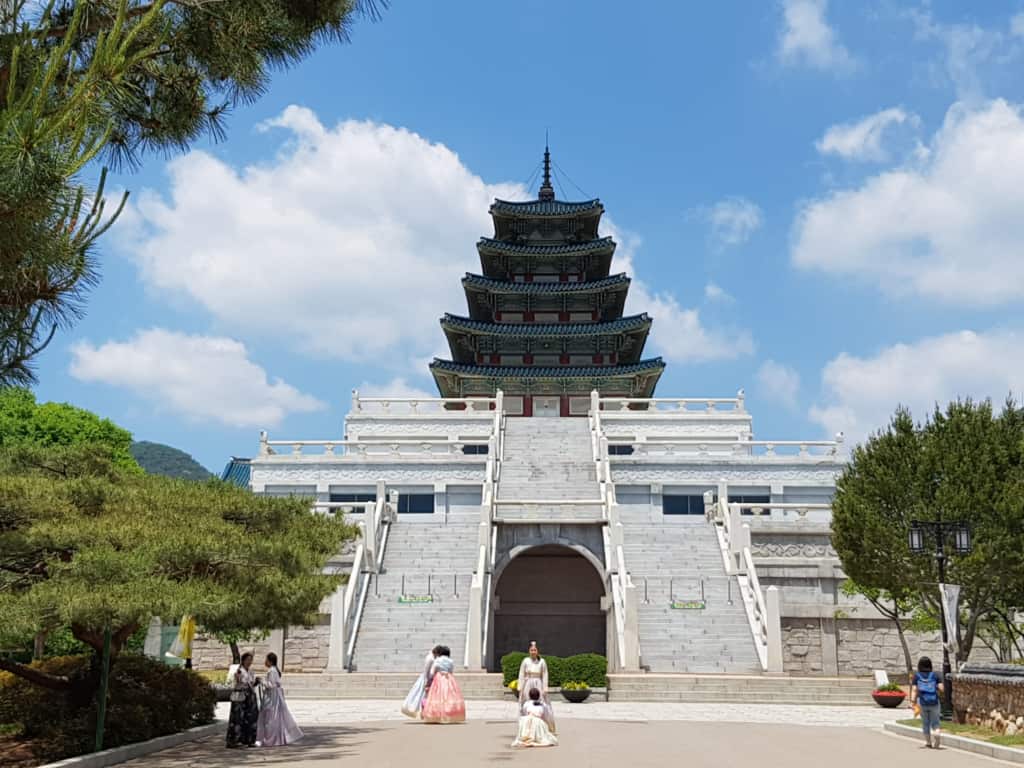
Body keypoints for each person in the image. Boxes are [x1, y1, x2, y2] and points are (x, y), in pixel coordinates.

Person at [257, 652, 303, 746]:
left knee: (270, 717)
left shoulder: (272, 671)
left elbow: (271, 685)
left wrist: (261, 681)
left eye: (266, 659)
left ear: (270, 661)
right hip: (274, 696)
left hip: (272, 697)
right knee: (273, 717)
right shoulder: (274, 670)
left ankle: (271, 739)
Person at [517, 641, 556, 733]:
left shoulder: (542, 661)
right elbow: (521, 673)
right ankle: (526, 725)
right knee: (526, 702)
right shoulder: (525, 661)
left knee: (541, 702)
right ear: (529, 651)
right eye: (531, 650)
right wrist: (520, 685)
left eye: (535, 650)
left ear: (537, 651)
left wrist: (545, 687)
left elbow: (545, 674)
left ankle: (543, 725)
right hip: (528, 683)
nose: (533, 652)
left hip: (538, 682)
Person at [421, 645, 466, 724]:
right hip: (449, 678)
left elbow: (432, 672)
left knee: (437, 696)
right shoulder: (451, 661)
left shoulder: (437, 660)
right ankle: (449, 714)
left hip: (439, 678)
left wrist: (430, 679)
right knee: (449, 696)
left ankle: (437, 715)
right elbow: (451, 671)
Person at [226, 652, 259, 748]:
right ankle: (235, 741)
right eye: (248, 660)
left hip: (250, 698)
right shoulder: (238, 670)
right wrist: (237, 677)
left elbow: (251, 684)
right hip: (240, 698)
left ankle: (248, 740)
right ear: (243, 660)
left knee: (249, 719)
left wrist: (256, 682)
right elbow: (237, 682)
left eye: (251, 660)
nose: (249, 662)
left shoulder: (251, 672)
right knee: (238, 719)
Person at [911, 656, 944, 749]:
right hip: (934, 702)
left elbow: (914, 689)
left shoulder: (917, 676)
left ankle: (928, 742)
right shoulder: (935, 675)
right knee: (935, 722)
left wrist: (912, 701)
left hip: (922, 702)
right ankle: (937, 735)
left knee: (925, 723)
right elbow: (942, 689)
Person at [402, 645, 440, 719]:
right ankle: (422, 712)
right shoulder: (431, 659)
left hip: (427, 677)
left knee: (422, 696)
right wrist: (426, 682)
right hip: (426, 678)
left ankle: (423, 712)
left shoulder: (430, 657)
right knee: (423, 696)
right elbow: (426, 671)